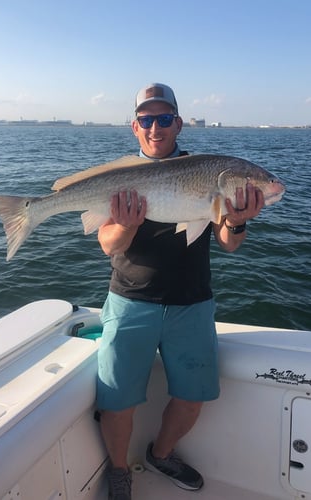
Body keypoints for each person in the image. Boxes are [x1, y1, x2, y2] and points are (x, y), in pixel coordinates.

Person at [96, 83, 264, 500]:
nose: (156, 127)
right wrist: (128, 223)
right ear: (135, 127)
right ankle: (119, 471)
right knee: (117, 400)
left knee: (192, 397)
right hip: (130, 300)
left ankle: (162, 453)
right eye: (147, 120)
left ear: (179, 123)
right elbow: (109, 245)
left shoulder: (206, 171)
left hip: (192, 302)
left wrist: (238, 220)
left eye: (165, 118)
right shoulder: (117, 177)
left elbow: (228, 243)